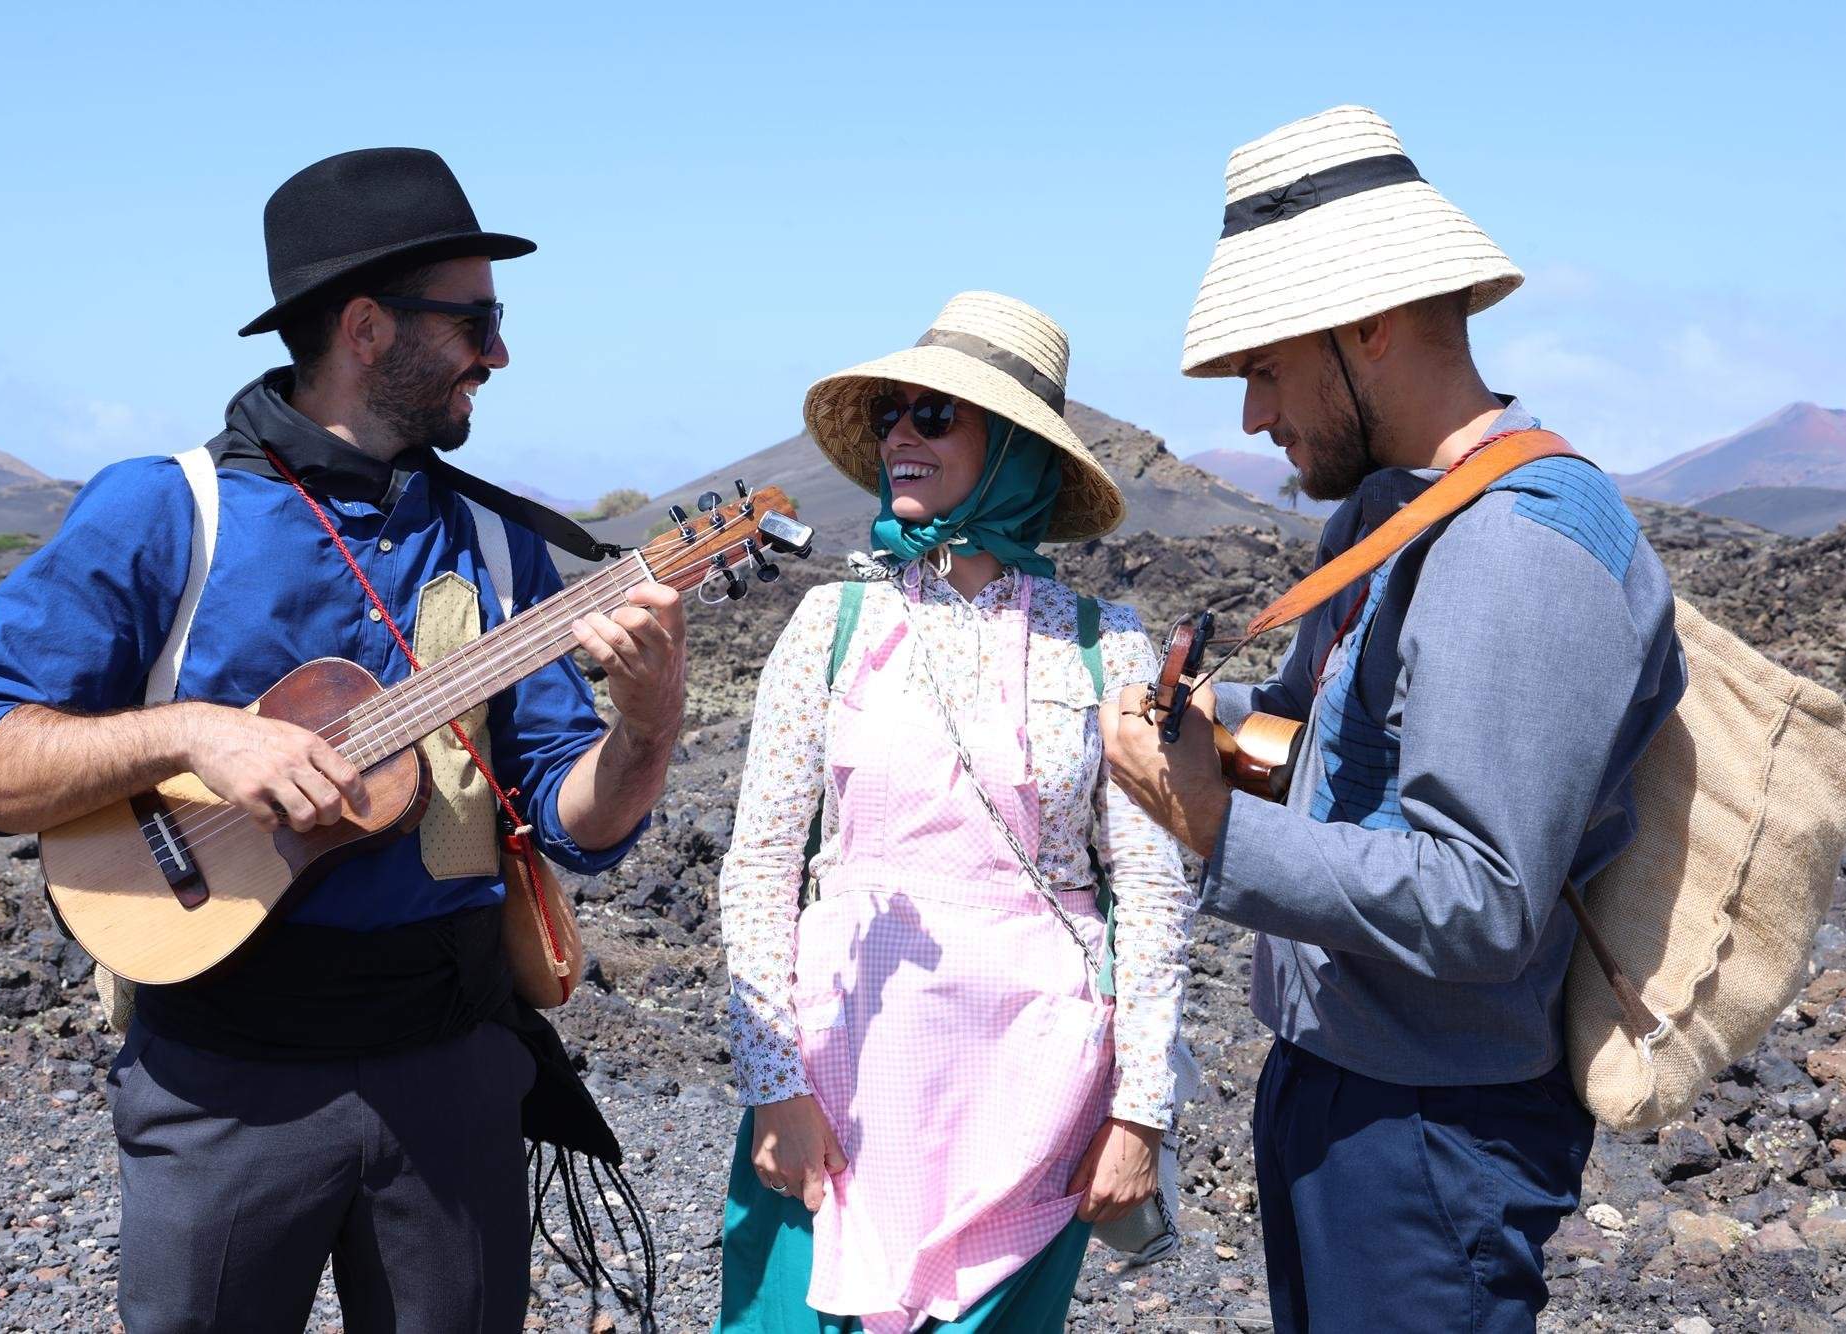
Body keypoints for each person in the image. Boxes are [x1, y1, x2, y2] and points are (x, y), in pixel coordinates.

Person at [0, 148, 686, 1332]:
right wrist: (190, 734)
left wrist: (646, 722)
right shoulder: (168, 511)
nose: (500, 352)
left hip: (454, 1068)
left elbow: (576, 829)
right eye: (476, 318)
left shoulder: (495, 543)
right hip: (223, 1086)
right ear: (369, 327)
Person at [1100, 106, 1687, 1332]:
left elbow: (1481, 898)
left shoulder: (1520, 549)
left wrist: (1212, 827)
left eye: (1265, 365)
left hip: (1434, 1133)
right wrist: (1205, 723)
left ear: (1365, 326)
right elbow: (1332, 735)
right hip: (1341, 1085)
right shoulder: (1390, 519)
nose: (1254, 413)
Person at [714, 291, 1199, 1333]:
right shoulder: (831, 625)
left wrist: (1140, 1109)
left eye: (934, 415)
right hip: (832, 1097)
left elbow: (1154, 892)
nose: (899, 433)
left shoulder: (1104, 644)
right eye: (892, 411)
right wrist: (773, 1086)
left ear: (1016, 449)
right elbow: (757, 865)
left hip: (1032, 1103)